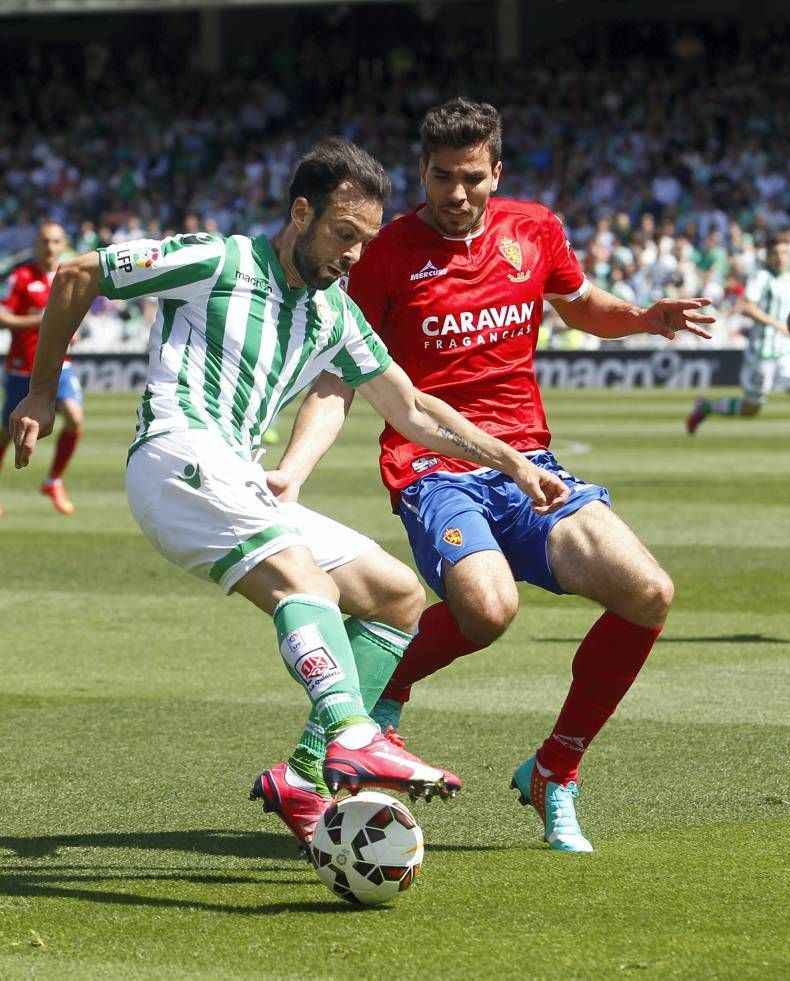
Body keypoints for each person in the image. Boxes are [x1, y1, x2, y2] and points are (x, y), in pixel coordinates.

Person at [10, 137, 570, 855]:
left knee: (395, 595)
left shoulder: (335, 312)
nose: (353, 256)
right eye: (343, 235)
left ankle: (303, 777)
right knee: (305, 581)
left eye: (365, 242)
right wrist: (41, 390)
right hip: (177, 455)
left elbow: (415, 409)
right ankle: (354, 733)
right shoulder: (220, 261)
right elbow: (76, 275)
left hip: (237, 476)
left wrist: (512, 462)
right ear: (301, 212)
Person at [264, 100, 714, 854]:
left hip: (529, 463)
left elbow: (577, 304)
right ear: (422, 173)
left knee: (648, 593)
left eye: (471, 178)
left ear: (496, 172)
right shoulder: (384, 252)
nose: (456, 193)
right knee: (488, 608)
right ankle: (384, 685)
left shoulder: (533, 229)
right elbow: (342, 374)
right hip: (433, 465)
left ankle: (554, 770)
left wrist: (644, 317)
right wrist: (292, 469)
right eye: (441, 177)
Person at [0, 222, 83, 515]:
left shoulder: (69, 276)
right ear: (36, 245)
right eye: (45, 241)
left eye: (55, 241)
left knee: (74, 418)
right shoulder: (21, 277)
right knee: (6, 432)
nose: (50, 247)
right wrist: (43, 322)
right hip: (23, 367)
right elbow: (2, 316)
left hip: (61, 365)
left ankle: (53, 481)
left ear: (64, 245)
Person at [687, 234, 790, 439]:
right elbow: (745, 306)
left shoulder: (789, 277)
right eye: (775, 254)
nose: (780, 258)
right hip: (762, 353)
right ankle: (707, 407)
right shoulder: (762, 277)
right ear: (768, 256)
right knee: (751, 409)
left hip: (787, 352)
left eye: (784, 253)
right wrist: (778, 325)